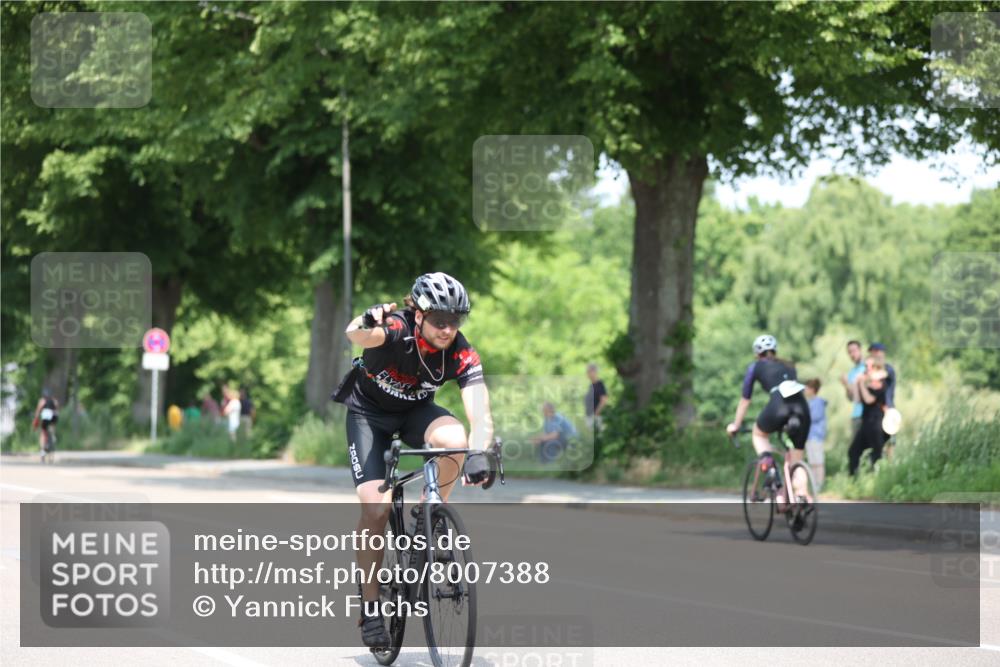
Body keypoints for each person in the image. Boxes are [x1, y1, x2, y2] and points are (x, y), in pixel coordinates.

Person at [333, 272, 494, 649]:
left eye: (456, 320)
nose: (448, 328)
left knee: (456, 440)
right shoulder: (395, 328)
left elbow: (480, 413)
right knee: (376, 508)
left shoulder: (460, 351)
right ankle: (371, 607)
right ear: (418, 314)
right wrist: (366, 320)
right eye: (439, 319)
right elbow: (356, 335)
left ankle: (431, 511)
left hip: (415, 413)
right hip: (368, 417)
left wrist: (479, 452)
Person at [726, 335, 811, 502]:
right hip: (802, 408)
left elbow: (745, 400)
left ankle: (769, 465)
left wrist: (735, 425)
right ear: (775, 351)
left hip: (778, 406)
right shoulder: (789, 365)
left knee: (759, 435)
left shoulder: (755, 366)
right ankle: (801, 497)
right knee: (796, 459)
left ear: (758, 354)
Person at [847, 357, 892, 475]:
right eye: (866, 367)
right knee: (853, 451)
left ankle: (877, 478)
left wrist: (862, 384)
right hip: (866, 422)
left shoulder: (882, 383)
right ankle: (853, 479)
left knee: (876, 453)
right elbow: (857, 400)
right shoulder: (867, 383)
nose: (866, 369)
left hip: (877, 422)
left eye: (869, 366)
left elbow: (869, 399)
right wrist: (857, 383)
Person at [839, 340, 866, 440]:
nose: (852, 354)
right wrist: (846, 385)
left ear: (860, 350)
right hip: (856, 415)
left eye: (854, 351)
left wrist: (847, 384)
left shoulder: (867, 368)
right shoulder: (851, 372)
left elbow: (861, 395)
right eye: (849, 352)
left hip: (867, 414)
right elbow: (851, 398)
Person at [804, 379, 827, 491]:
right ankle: (814, 485)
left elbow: (813, 417)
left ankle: (819, 484)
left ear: (812, 389)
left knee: (818, 462)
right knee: (812, 462)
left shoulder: (817, 402)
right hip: (809, 436)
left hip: (816, 435)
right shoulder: (810, 402)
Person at [32, 388, 59, 462]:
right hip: (54, 416)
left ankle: (42, 451)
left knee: (43, 432)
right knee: (52, 428)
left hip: (46, 416)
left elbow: (37, 412)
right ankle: (53, 437)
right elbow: (57, 410)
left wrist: (36, 418)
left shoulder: (42, 401)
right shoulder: (54, 401)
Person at [583, 363, 609, 434]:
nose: (587, 374)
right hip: (589, 417)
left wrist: (596, 414)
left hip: (596, 418)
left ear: (594, 372)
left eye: (589, 371)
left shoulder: (599, 384)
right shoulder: (591, 385)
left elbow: (604, 400)